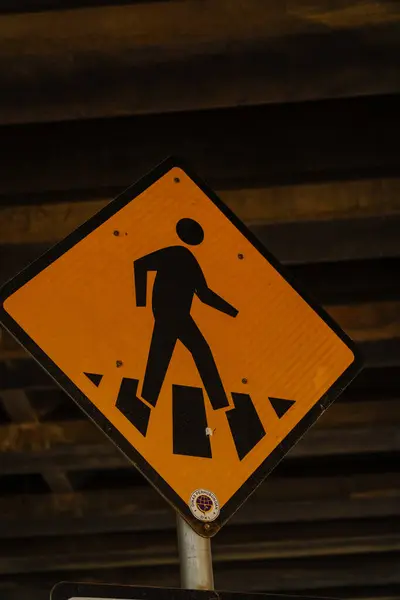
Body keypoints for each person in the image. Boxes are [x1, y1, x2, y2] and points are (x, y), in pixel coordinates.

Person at [134, 218, 238, 409]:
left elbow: (204, 294)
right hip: (169, 314)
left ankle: (147, 401)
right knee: (186, 353)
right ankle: (219, 402)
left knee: (166, 355)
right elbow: (139, 265)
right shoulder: (175, 252)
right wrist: (140, 304)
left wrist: (234, 313)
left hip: (178, 315)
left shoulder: (189, 258)